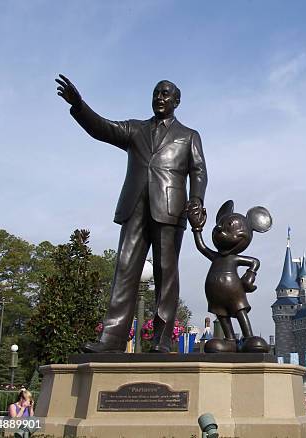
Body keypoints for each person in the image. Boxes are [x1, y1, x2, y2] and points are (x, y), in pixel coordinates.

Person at [56, 75, 207, 353]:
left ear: (176, 101)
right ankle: (112, 338)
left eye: (165, 94)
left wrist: (196, 200)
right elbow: (102, 128)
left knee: (166, 273)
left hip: (170, 209)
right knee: (124, 269)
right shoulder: (135, 129)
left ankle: (162, 339)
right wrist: (79, 105)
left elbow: (198, 172)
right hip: (134, 207)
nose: (160, 98)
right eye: (156, 93)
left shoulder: (188, 136)